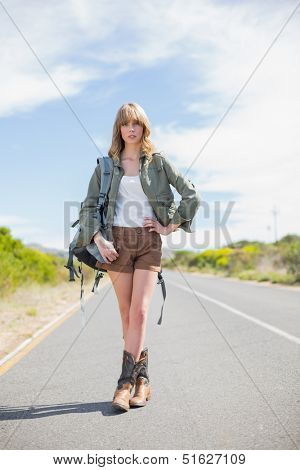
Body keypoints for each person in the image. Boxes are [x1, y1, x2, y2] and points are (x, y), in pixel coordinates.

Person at [83, 102, 200, 412]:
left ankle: (123, 384)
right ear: (118, 129)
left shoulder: (158, 164)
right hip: (115, 243)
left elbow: (191, 194)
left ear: (143, 127)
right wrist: (99, 239)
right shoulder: (106, 167)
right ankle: (143, 380)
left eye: (135, 123)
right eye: (125, 124)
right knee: (125, 314)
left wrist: (169, 224)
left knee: (140, 312)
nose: (130, 129)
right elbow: (88, 207)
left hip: (148, 242)